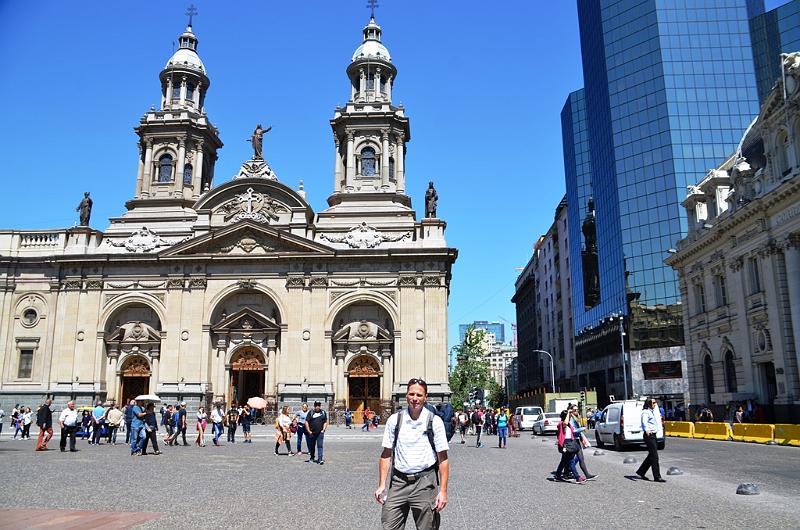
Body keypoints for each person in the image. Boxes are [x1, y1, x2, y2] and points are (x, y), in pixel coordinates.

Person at [374, 378, 449, 529]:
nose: (415, 398)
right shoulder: (395, 420)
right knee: (389, 525)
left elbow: (443, 459)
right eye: (411, 394)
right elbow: (386, 454)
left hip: (425, 482)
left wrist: (443, 492)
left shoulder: (435, 421)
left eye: (419, 395)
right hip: (398, 482)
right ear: (406, 395)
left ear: (425, 397)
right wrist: (382, 484)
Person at [636, 398, 665, 482]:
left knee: (651, 455)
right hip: (649, 435)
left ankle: (641, 472)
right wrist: (646, 429)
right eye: (653, 403)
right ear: (648, 404)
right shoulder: (645, 412)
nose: (655, 404)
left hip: (653, 435)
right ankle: (657, 476)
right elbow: (644, 422)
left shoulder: (651, 411)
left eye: (655, 402)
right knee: (654, 456)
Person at [567, 404, 597, 481]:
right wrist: (583, 428)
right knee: (569, 459)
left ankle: (587, 475)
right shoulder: (570, 419)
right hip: (572, 441)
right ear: (571, 411)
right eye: (575, 410)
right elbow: (573, 431)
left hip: (577, 440)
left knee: (581, 458)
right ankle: (568, 472)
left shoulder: (575, 418)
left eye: (577, 410)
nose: (577, 411)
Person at [554, 410, 582, 483]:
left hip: (570, 442)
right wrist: (568, 413)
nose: (569, 417)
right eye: (568, 416)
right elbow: (565, 423)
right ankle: (577, 477)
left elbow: (577, 421)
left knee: (563, 461)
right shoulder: (561, 424)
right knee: (571, 461)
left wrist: (572, 414)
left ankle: (557, 475)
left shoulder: (569, 424)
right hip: (565, 443)